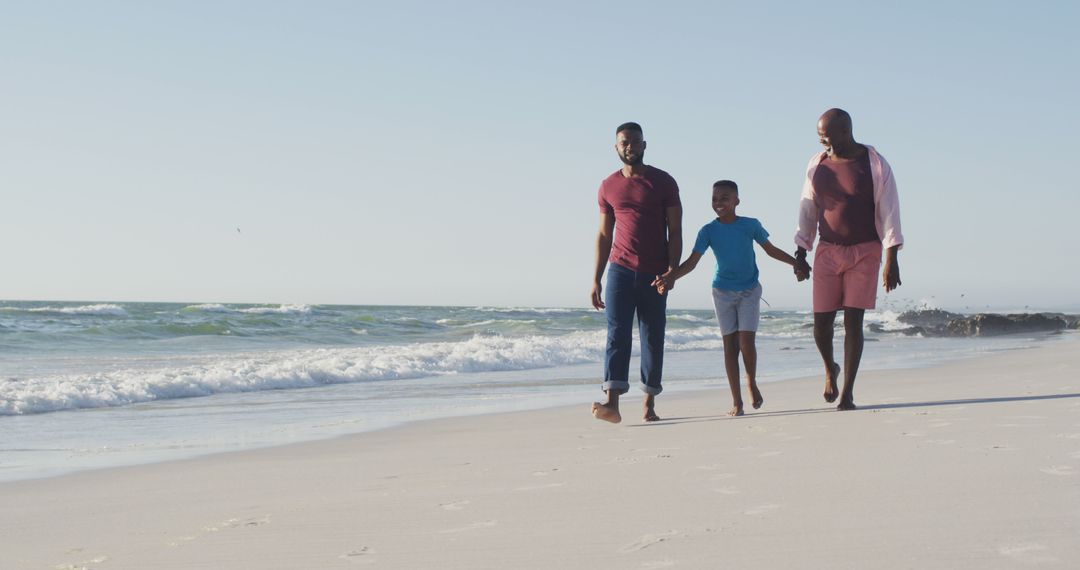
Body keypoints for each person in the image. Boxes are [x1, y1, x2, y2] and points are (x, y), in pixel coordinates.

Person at [657, 180, 804, 416]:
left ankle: (751, 382)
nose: (719, 203)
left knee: (746, 341)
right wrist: (670, 276)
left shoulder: (750, 225)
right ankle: (737, 401)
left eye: (725, 198)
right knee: (729, 347)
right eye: (715, 198)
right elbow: (693, 262)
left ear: (737, 201)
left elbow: (770, 250)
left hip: (749, 290)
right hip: (722, 292)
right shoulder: (708, 231)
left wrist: (795, 263)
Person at [793, 108, 904, 410]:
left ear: (845, 131)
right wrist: (801, 251)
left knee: (854, 321)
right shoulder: (818, 165)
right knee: (821, 326)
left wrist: (891, 257)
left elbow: (890, 211)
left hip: (866, 251)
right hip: (828, 250)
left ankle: (848, 393)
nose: (823, 144)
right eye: (820, 139)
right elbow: (808, 209)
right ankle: (831, 367)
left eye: (826, 138)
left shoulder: (875, 165)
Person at [590, 122, 682, 424]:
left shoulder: (664, 182)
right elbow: (605, 235)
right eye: (623, 143)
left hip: (655, 272)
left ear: (644, 145)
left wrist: (672, 272)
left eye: (634, 142)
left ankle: (649, 402)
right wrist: (596, 278)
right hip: (619, 269)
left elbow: (675, 230)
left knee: (652, 337)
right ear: (616, 148)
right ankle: (612, 403)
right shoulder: (607, 186)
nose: (629, 147)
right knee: (617, 335)